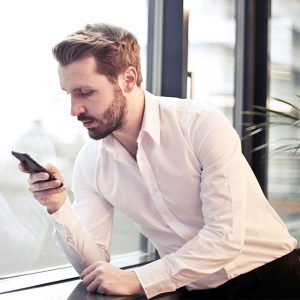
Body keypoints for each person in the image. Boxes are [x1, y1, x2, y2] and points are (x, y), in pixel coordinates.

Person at [18, 23, 300, 299]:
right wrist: (58, 207)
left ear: (128, 79)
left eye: (86, 92)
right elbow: (95, 265)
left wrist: (140, 279)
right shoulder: (91, 163)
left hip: (272, 280)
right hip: (193, 290)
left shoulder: (200, 124)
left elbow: (224, 238)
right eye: (69, 93)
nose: (74, 109)